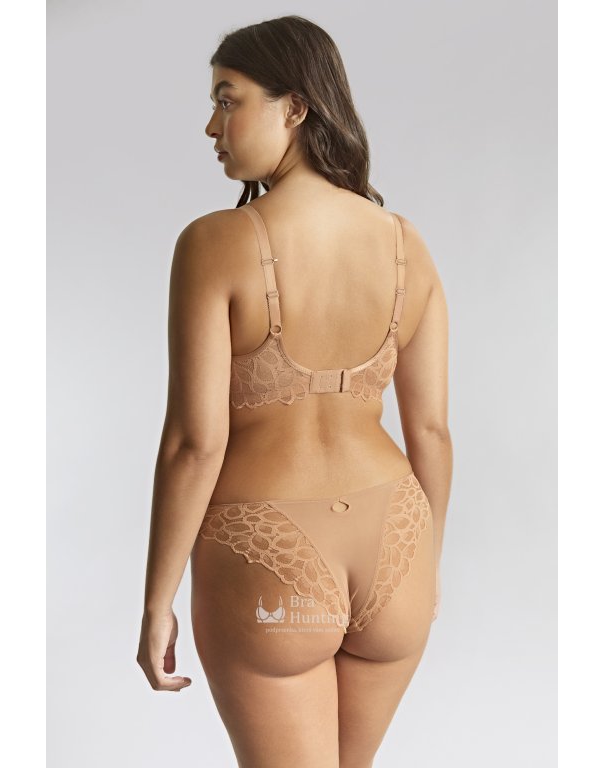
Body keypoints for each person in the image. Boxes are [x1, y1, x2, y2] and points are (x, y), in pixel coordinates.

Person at [137, 15, 452, 767]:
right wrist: (428, 569)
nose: (211, 125)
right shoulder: (406, 243)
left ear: (296, 107)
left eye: (228, 100)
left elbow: (195, 443)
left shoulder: (215, 244)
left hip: (269, 556)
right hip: (399, 546)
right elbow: (432, 432)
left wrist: (157, 600)